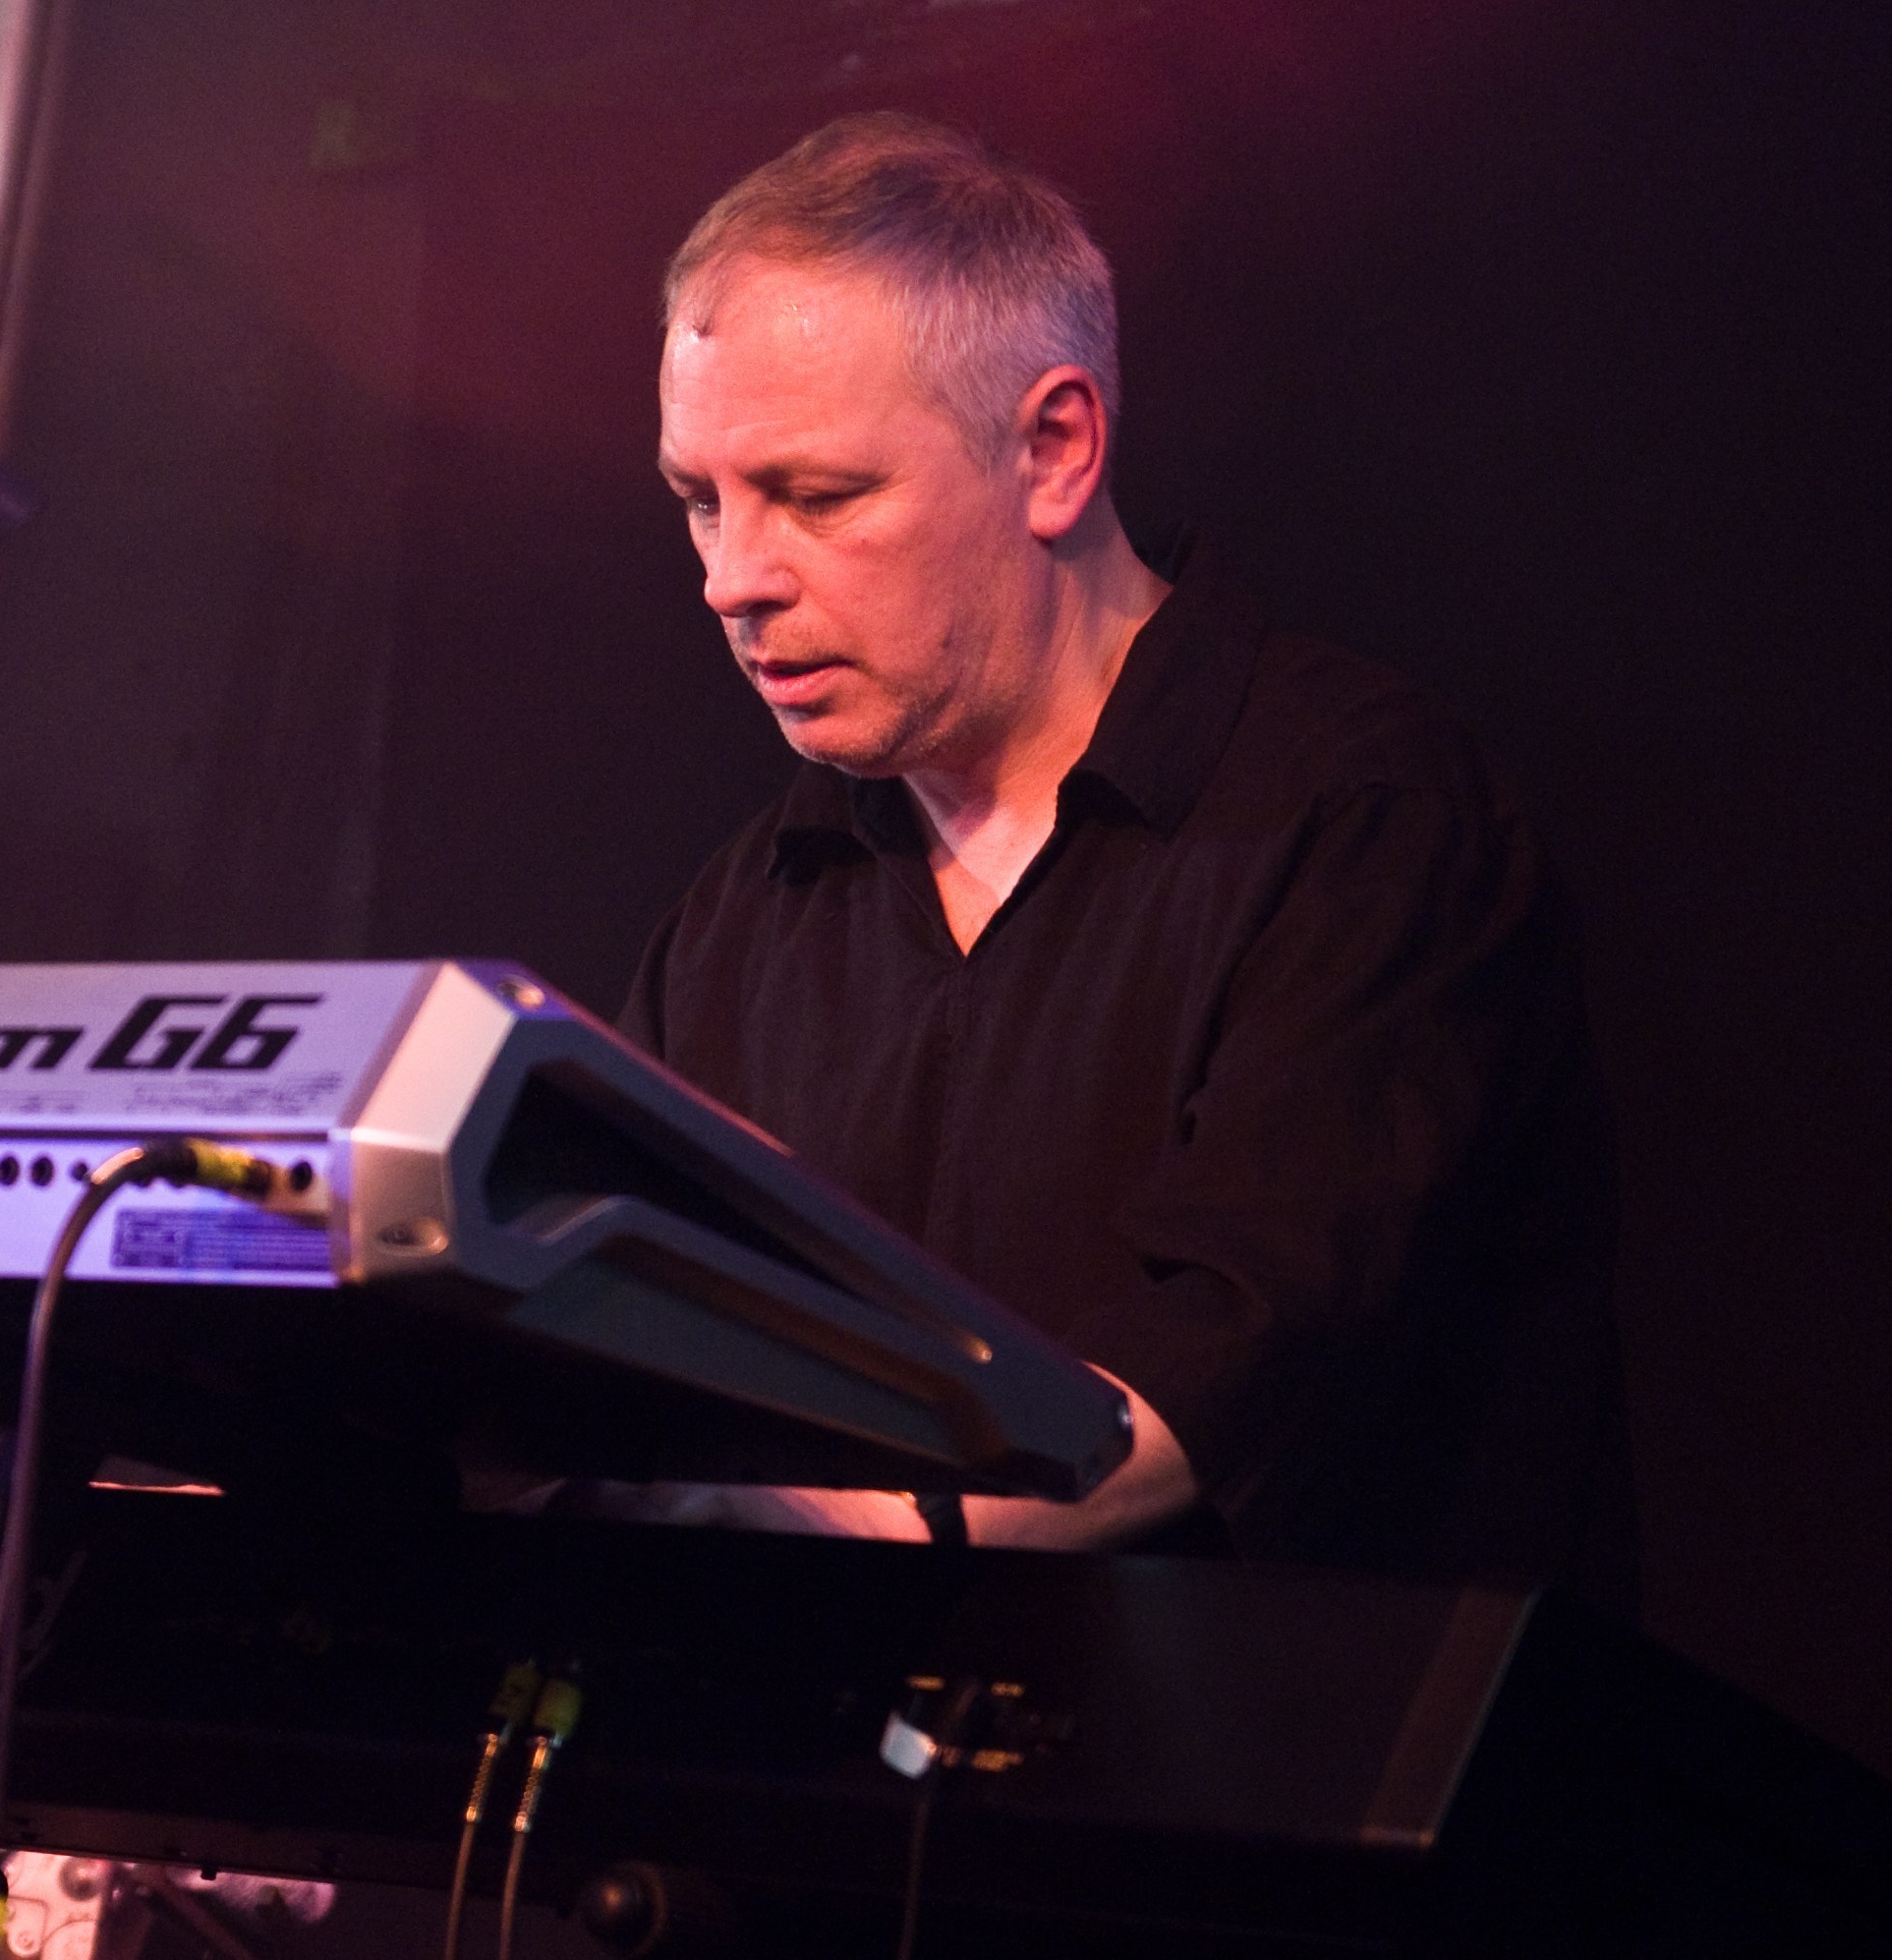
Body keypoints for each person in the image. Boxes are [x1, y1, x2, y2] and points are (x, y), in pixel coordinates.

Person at [612, 112, 1625, 1584]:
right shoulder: (746, 917)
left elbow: (1238, 1348)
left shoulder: (1361, 820)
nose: (732, 579)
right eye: (700, 501)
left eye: (817, 497)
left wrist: (816, 1530)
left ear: (1053, 449)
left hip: (1295, 1723)